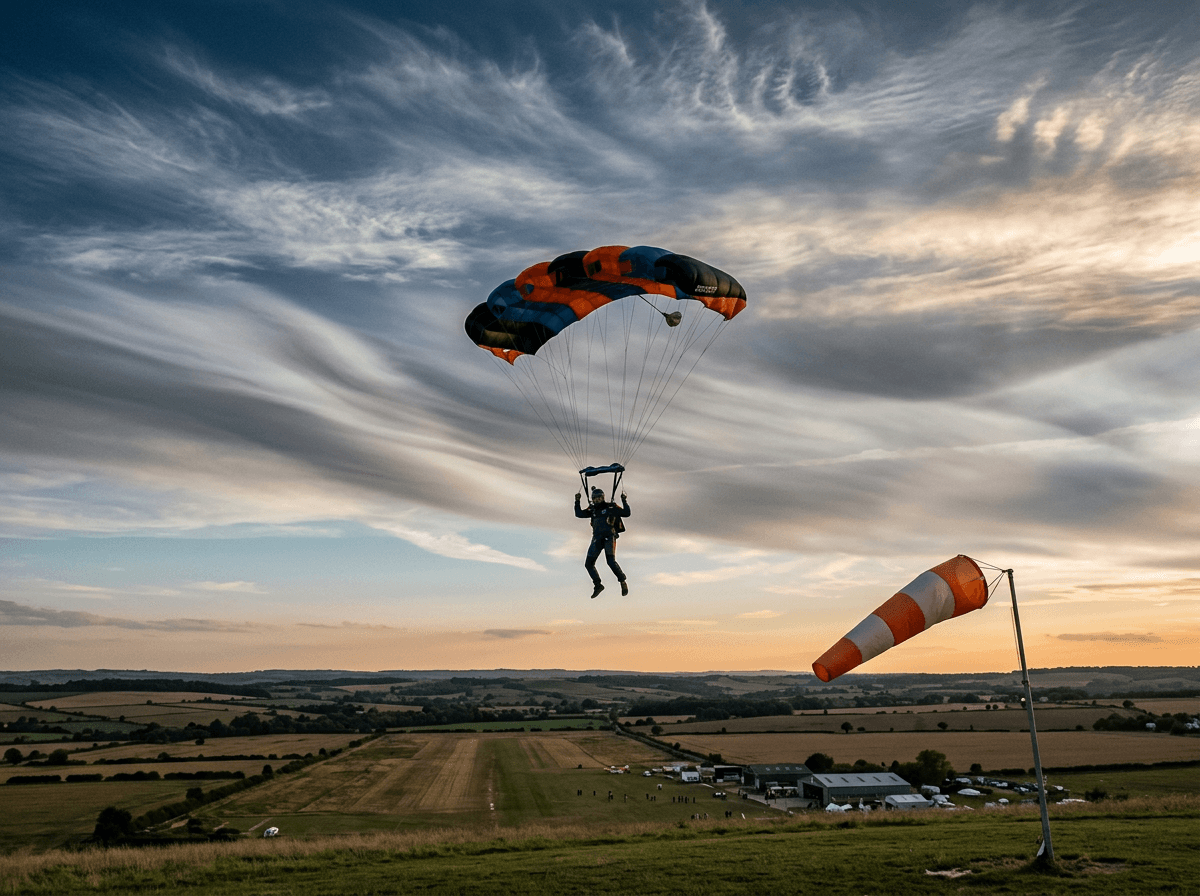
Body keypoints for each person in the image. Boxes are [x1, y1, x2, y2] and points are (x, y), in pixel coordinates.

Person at [574, 486, 631, 598]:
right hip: (597, 538)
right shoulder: (592, 510)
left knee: (610, 562)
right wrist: (577, 501)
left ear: (603, 498)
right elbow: (579, 514)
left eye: (599, 498)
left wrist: (624, 500)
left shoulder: (611, 507)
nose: (597, 500)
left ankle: (623, 582)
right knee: (588, 564)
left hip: (609, 537)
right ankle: (598, 585)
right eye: (594, 498)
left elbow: (626, 513)